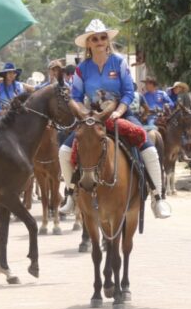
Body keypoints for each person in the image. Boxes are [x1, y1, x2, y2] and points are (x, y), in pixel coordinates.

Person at [57, 19, 171, 219]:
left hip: (121, 114)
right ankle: (71, 195)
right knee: (64, 151)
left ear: (107, 40)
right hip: (92, 118)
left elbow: (128, 91)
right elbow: (75, 97)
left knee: (149, 148)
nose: (100, 41)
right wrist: (84, 114)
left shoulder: (119, 62)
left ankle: (158, 197)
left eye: (103, 37)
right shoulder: (81, 68)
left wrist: (119, 111)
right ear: (89, 43)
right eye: (95, 38)